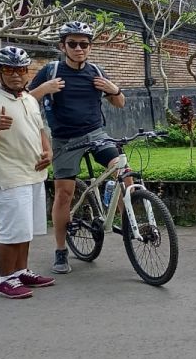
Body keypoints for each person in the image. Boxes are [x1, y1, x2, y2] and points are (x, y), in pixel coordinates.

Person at [28, 21, 126, 274]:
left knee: (124, 172)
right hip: (65, 140)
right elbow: (24, 103)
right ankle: (61, 250)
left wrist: (114, 89)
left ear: (90, 47)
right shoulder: (50, 71)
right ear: (63, 46)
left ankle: (128, 222)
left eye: (84, 44)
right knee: (64, 194)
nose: (79, 48)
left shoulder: (96, 70)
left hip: (96, 134)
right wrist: (43, 89)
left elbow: (119, 103)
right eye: (73, 43)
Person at [0, 47, 56, 298]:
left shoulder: (29, 99)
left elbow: (40, 129)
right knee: (11, 231)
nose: (16, 75)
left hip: (34, 174)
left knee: (25, 229)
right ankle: (5, 279)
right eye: (9, 69)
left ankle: (21, 271)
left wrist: (48, 152)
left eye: (21, 69)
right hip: (9, 177)